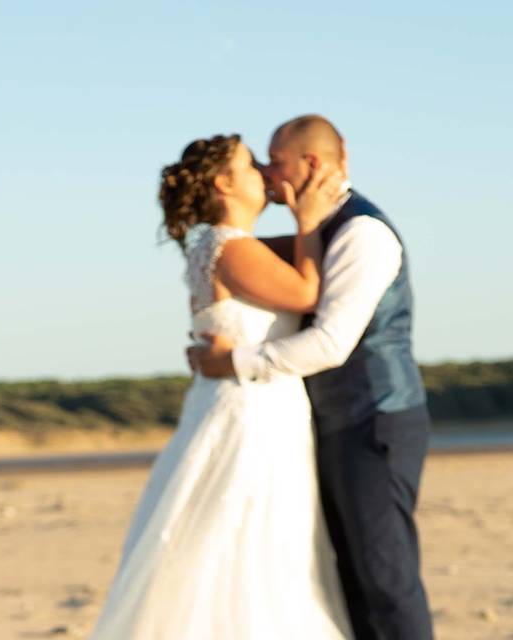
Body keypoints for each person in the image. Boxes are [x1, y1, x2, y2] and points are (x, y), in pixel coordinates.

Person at [90, 133, 353, 639]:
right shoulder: (228, 244)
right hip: (249, 414)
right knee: (245, 540)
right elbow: (305, 293)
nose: (263, 172)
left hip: (249, 402)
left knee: (250, 539)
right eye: (250, 165)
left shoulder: (227, 245)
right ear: (224, 182)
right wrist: (309, 221)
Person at [190, 115, 435, 640]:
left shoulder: (362, 232)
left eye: (275, 162)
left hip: (376, 418)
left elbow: (330, 343)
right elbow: (234, 257)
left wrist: (232, 362)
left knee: (385, 578)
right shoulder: (314, 230)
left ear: (312, 164)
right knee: (348, 576)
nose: (266, 171)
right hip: (326, 424)